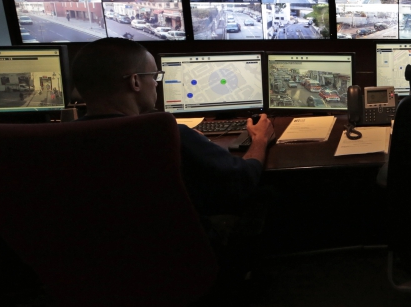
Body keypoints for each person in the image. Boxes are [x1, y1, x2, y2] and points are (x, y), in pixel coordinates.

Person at [70, 38, 274, 217]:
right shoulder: (168, 135)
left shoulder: (62, 141)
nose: (156, 84)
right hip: (179, 242)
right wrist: (259, 140)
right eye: (153, 76)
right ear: (135, 81)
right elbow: (241, 179)